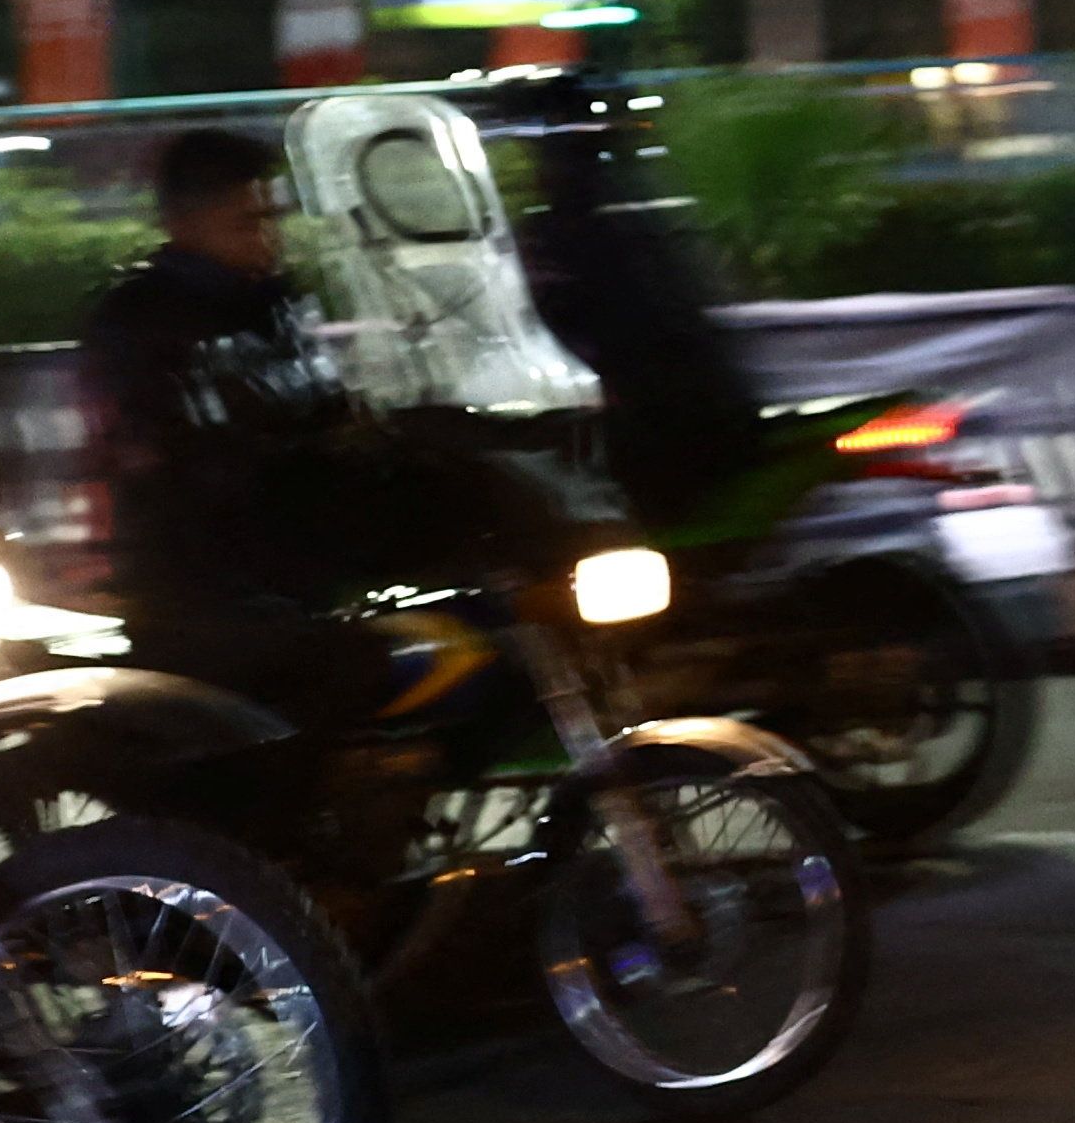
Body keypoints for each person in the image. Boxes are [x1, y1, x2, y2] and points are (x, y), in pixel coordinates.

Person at [80, 124, 426, 728]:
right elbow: (182, 459)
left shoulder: (277, 304)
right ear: (184, 223)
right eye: (248, 222)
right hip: (207, 588)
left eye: (273, 219)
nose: (271, 239)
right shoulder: (144, 318)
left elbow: (326, 406)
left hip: (302, 564)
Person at [487, 72, 770, 531]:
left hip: (664, 429)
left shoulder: (587, 224)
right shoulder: (620, 209)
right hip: (668, 414)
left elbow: (606, 319)